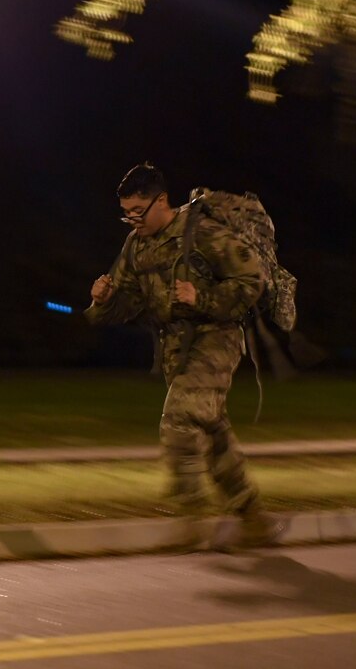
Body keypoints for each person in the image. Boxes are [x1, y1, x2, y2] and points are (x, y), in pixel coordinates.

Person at [85, 163, 285, 551]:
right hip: (177, 351)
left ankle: (191, 520)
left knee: (178, 419)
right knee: (213, 433)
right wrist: (104, 301)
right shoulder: (135, 244)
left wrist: (203, 297)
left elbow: (251, 280)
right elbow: (129, 302)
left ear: (161, 201)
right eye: (126, 213)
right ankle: (254, 519)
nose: (132, 220)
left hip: (217, 340)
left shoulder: (201, 232)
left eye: (138, 211)